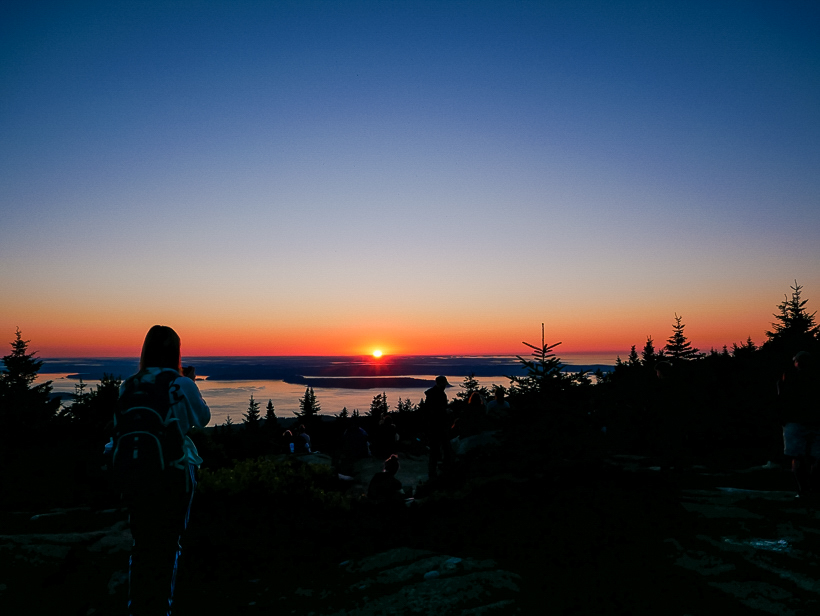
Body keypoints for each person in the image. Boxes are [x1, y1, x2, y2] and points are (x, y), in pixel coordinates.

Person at [118, 325, 210, 616]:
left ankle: (137, 609)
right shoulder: (179, 384)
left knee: (141, 544)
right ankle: (161, 609)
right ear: (175, 352)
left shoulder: (129, 384)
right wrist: (188, 382)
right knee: (168, 545)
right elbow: (202, 419)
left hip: (134, 474)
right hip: (172, 475)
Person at [778, 351, 820, 497]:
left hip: (793, 421)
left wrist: (781, 418)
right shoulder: (816, 378)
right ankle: (813, 489)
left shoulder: (788, 378)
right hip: (815, 421)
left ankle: (803, 490)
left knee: (797, 457)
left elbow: (781, 399)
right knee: (816, 457)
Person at [424, 375, 454, 478]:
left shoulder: (433, 394)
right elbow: (434, 411)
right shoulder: (438, 395)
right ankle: (439, 472)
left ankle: (437, 472)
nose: (445, 386)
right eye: (444, 384)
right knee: (440, 449)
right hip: (437, 426)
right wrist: (445, 412)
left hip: (435, 426)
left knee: (438, 450)